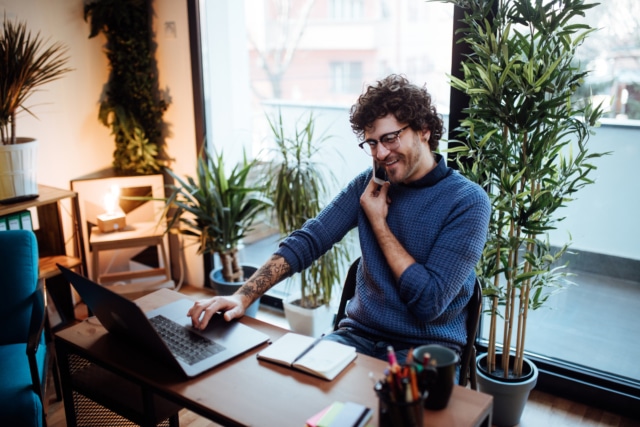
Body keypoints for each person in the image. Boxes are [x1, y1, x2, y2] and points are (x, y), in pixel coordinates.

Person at [188, 74, 491, 365]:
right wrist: (243, 296)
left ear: (423, 129)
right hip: (356, 337)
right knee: (295, 400)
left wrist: (379, 223)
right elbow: (310, 239)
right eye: (372, 143)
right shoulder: (368, 185)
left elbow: (428, 303)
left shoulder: (467, 201)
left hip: (426, 351)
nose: (381, 153)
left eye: (390, 138)